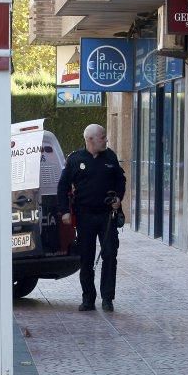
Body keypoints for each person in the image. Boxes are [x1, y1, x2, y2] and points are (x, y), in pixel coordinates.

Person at [57, 124, 126, 312]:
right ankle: (88, 298)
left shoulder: (110, 156)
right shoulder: (75, 160)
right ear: (90, 140)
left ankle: (107, 298)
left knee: (110, 255)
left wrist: (118, 198)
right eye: (102, 137)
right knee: (86, 258)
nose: (106, 140)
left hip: (107, 216)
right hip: (85, 215)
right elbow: (62, 186)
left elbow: (121, 180)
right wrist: (64, 211)